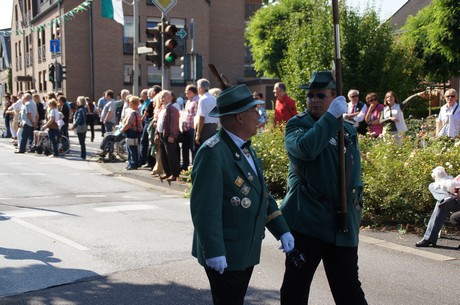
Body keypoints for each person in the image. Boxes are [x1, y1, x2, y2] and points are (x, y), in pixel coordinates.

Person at [190, 84, 294, 305]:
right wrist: (214, 250)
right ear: (239, 118)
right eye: (253, 110)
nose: (258, 115)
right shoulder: (212, 153)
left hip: (245, 249)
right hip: (226, 252)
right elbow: (204, 210)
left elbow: (261, 195)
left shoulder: (246, 149)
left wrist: (282, 230)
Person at [280, 71, 368, 305]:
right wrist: (331, 117)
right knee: (295, 289)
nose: (314, 100)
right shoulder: (298, 124)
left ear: (334, 97)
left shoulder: (348, 130)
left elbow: (354, 176)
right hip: (308, 221)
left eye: (321, 95)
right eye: (310, 95)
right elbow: (306, 148)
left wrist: (354, 214)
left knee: (349, 289)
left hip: (342, 223)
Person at [416, 166, 460, 247]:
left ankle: (429, 238)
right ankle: (446, 198)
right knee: (433, 186)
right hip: (454, 197)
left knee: (442, 204)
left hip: (455, 198)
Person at [154, 90, 180, 181]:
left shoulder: (173, 109)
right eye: (161, 97)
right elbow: (159, 123)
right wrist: (156, 134)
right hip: (161, 134)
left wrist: (172, 135)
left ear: (170, 98)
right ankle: (167, 172)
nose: (162, 98)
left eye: (164, 97)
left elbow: (174, 123)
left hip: (168, 135)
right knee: (164, 155)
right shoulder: (162, 108)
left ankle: (174, 174)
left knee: (171, 155)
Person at [194, 78, 219, 152]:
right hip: (213, 126)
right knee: (211, 149)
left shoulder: (202, 99)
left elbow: (201, 118)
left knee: (203, 149)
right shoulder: (214, 99)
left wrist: (198, 134)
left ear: (200, 88)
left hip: (205, 127)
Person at [179, 85, 199, 171]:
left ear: (191, 92)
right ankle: (185, 166)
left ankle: (194, 166)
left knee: (193, 148)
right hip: (185, 129)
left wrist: (193, 126)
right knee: (185, 147)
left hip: (192, 129)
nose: (185, 93)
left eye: (187, 91)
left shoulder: (197, 102)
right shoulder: (188, 102)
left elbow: (197, 115)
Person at [120, 95, 143, 170]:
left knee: (131, 148)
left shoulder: (132, 112)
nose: (128, 103)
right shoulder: (137, 111)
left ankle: (132, 164)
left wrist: (122, 130)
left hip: (131, 132)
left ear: (132, 103)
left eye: (129, 102)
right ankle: (132, 163)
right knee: (133, 148)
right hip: (136, 132)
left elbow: (128, 124)